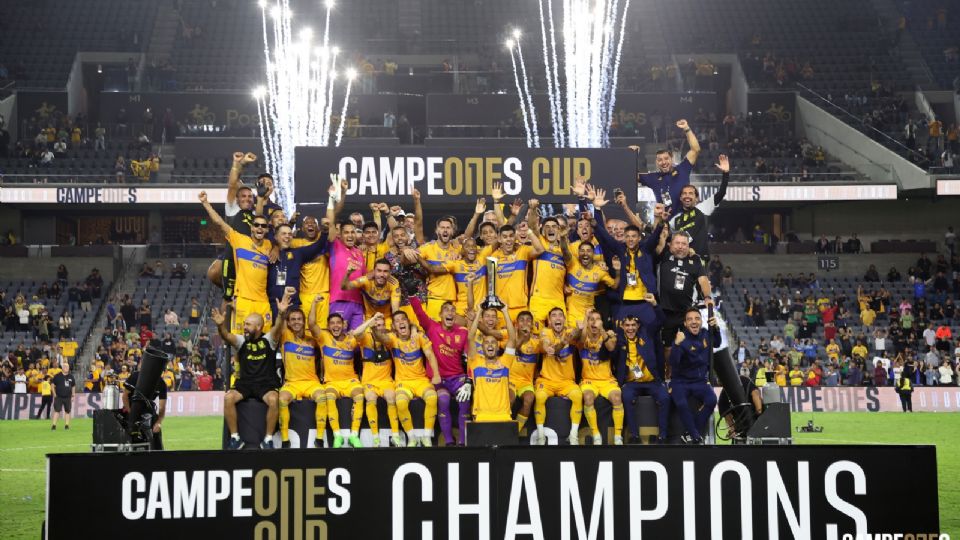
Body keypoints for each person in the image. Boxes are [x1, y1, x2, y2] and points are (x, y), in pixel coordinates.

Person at [213, 290, 291, 450]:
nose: (244, 327)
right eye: (244, 324)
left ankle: (268, 439)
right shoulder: (242, 341)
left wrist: (282, 314)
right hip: (246, 384)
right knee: (228, 399)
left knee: (274, 400)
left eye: (248, 324)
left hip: (265, 384)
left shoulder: (268, 340)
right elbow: (227, 336)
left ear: (259, 326)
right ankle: (235, 438)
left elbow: (277, 328)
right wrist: (221, 325)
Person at [308, 299, 381, 448]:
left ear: (344, 325)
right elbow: (311, 324)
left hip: (350, 381)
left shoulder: (350, 339)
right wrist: (314, 304)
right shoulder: (323, 337)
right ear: (328, 326)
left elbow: (359, 333)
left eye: (338, 323)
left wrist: (372, 320)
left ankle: (354, 436)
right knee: (329, 397)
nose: (335, 326)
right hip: (331, 382)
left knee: (360, 396)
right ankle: (337, 436)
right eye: (332, 323)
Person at [200, 191, 274, 335]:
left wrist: (276, 248)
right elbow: (219, 222)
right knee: (240, 343)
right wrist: (205, 203)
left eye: (263, 226)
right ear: (251, 228)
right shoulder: (239, 240)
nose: (259, 228)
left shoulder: (269, 245)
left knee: (265, 343)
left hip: (263, 303)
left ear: (266, 230)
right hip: (243, 301)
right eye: (256, 225)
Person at [373, 311, 442, 447]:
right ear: (393, 326)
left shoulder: (419, 336)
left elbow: (430, 354)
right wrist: (374, 326)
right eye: (397, 321)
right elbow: (381, 337)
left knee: (432, 397)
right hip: (403, 383)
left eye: (403, 319)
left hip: (421, 380)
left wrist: (436, 374)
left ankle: (426, 437)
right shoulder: (392, 338)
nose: (401, 322)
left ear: (408, 322)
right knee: (400, 402)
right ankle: (412, 438)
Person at [408, 296, 471, 446]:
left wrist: (469, 380)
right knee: (443, 400)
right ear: (440, 315)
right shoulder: (432, 327)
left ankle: (462, 442)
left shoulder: (463, 332)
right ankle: (449, 441)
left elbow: (471, 358)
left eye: (453, 310)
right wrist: (412, 296)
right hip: (439, 379)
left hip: (457, 378)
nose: (450, 313)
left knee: (465, 400)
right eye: (446, 310)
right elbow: (419, 313)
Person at [615, 303, 671, 444]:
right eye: (627, 325)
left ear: (638, 326)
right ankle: (634, 435)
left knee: (665, 398)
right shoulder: (618, 341)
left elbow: (661, 320)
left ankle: (663, 436)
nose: (630, 328)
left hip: (652, 381)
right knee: (626, 397)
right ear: (622, 326)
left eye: (633, 325)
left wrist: (656, 305)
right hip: (631, 383)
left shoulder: (647, 335)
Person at [276, 303, 328, 449]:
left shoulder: (312, 340)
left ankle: (319, 438)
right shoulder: (285, 335)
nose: (296, 322)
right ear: (289, 322)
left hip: (311, 383)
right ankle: (285, 440)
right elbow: (279, 324)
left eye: (299, 319)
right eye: (293, 319)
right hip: (292, 383)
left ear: (303, 322)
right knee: (282, 399)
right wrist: (282, 312)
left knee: (322, 397)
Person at [669, 309, 720, 443]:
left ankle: (690, 433)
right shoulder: (681, 337)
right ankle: (695, 436)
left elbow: (718, 343)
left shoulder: (705, 333)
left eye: (697, 318)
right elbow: (673, 362)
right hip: (680, 381)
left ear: (701, 321)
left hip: (700, 381)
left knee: (712, 400)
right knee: (681, 403)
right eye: (690, 319)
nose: (694, 321)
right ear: (685, 323)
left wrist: (716, 328)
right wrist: (676, 344)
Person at [533, 307, 583, 445]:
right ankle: (541, 436)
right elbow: (545, 343)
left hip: (566, 382)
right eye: (554, 316)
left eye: (560, 315)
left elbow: (576, 336)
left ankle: (573, 436)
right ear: (549, 320)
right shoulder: (545, 331)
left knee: (578, 396)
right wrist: (548, 347)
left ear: (564, 319)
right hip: (547, 380)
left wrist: (579, 329)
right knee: (540, 397)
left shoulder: (569, 332)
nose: (557, 318)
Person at [575, 310, 625, 445]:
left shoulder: (609, 335)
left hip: (607, 380)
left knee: (616, 398)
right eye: (591, 319)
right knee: (588, 397)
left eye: (597, 319)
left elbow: (610, 348)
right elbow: (580, 338)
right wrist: (585, 318)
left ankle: (618, 436)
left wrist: (602, 329)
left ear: (602, 322)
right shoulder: (583, 338)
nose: (594, 322)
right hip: (588, 381)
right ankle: (596, 434)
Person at [669, 154, 730, 261]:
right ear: (680, 198)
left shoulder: (703, 208)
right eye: (684, 193)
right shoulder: (675, 219)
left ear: (696, 198)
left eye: (691, 193)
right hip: (681, 262)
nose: (687, 196)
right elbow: (665, 235)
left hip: (700, 261)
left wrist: (725, 174)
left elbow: (721, 193)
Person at [465, 301, 518, 423]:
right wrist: (478, 312)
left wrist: (504, 311)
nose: (490, 345)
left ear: (498, 347)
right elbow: (470, 338)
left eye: (493, 343)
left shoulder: (505, 362)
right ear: (482, 348)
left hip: (504, 416)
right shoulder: (476, 362)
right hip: (481, 416)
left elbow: (512, 339)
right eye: (486, 343)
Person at [634, 118, 701, 214]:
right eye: (660, 160)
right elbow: (632, 176)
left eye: (666, 158)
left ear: (671, 159)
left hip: (685, 221)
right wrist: (632, 156)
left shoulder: (682, 169)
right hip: (665, 225)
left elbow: (695, 149)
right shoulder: (653, 178)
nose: (663, 162)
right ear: (656, 162)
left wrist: (686, 128)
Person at [122, 361, 169, 450]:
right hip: (132, 407)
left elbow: (162, 406)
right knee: (132, 435)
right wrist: (130, 412)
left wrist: (158, 422)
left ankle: (160, 457)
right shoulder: (136, 376)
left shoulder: (161, 383)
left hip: (149, 408)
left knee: (156, 436)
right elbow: (125, 396)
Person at [341, 258, 401, 323]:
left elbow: (395, 310)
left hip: (386, 318)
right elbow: (344, 287)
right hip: (369, 318)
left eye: (385, 271)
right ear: (374, 271)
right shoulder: (366, 280)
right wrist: (348, 273)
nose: (382, 275)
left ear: (390, 273)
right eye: (379, 271)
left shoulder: (394, 284)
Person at [50, 362, 76, 430]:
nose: (66, 368)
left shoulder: (71, 376)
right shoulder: (57, 376)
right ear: (62, 368)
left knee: (67, 411)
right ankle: (54, 425)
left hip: (68, 397)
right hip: (59, 397)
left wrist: (73, 395)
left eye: (67, 367)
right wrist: (55, 394)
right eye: (65, 367)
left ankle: (66, 425)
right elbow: (52, 385)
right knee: (57, 411)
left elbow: (73, 386)